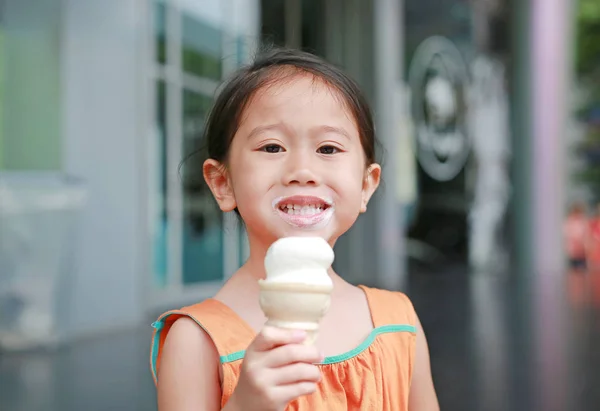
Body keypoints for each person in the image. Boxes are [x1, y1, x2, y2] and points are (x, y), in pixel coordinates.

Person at [150, 48, 439, 411]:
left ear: (366, 185)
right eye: (272, 146)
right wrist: (244, 405)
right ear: (222, 183)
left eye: (328, 148)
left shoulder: (400, 322)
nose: (302, 169)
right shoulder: (196, 341)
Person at [564, 202, 588, 271]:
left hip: (582, 252)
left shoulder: (583, 221)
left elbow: (585, 236)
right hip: (574, 252)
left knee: (582, 270)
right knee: (575, 270)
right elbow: (569, 235)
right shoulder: (569, 222)